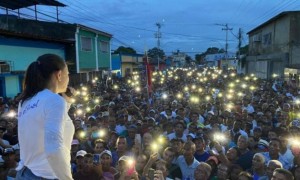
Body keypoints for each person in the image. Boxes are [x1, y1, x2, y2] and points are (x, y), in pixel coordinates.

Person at [16, 54, 74, 180]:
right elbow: (54, 148)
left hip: (25, 173)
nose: (68, 78)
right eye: (68, 74)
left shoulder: (25, 101)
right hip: (46, 176)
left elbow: (41, 126)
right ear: (59, 75)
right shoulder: (53, 101)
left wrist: (67, 103)